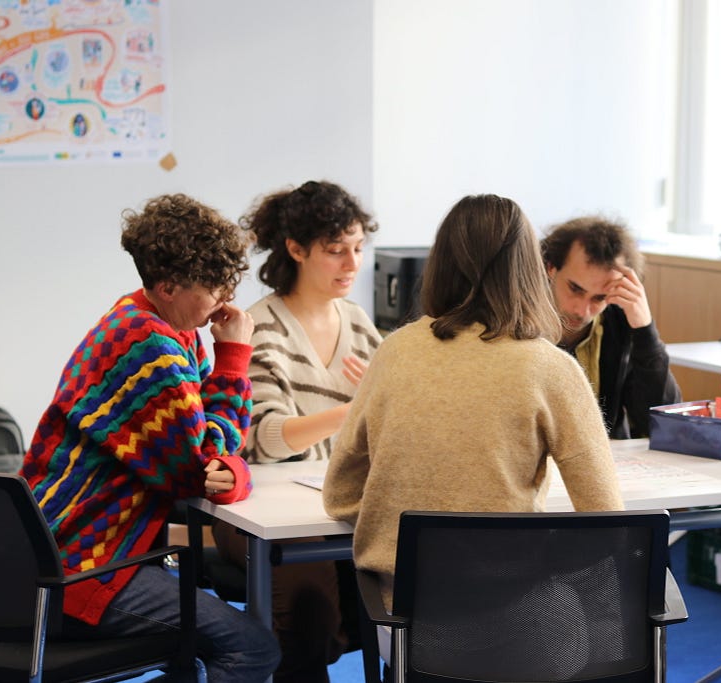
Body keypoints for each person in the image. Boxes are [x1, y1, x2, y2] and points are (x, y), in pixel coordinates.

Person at [323, 194, 624, 665]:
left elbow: (339, 495)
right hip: (526, 627)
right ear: (531, 271)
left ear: (440, 262)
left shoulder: (394, 352)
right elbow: (607, 520)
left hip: (405, 627)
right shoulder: (551, 368)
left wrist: (419, 500)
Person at [20, 193, 280, 681]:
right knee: (252, 650)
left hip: (76, 552)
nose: (225, 300)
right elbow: (198, 471)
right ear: (166, 286)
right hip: (79, 569)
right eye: (213, 287)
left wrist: (231, 466)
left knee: (199, 651)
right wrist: (234, 359)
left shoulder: (152, 322)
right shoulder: (149, 346)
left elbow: (213, 445)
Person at [212, 180, 381, 683]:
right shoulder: (263, 325)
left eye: (357, 249)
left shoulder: (357, 320)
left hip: (338, 503)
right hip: (265, 509)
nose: (352, 264)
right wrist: (358, 409)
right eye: (336, 251)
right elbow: (266, 437)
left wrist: (381, 404)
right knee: (308, 611)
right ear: (296, 249)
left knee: (405, 589)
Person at [540, 217, 680, 438]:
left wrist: (645, 332)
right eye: (575, 289)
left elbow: (663, 427)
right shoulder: (516, 320)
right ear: (550, 268)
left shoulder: (619, 317)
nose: (582, 310)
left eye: (599, 298)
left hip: (608, 460)